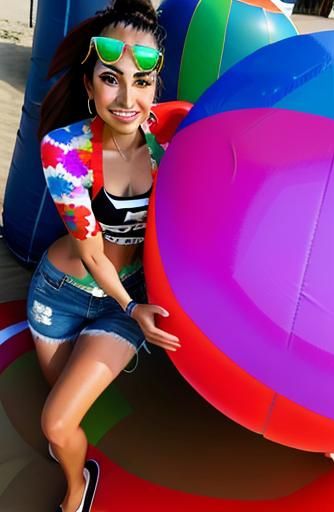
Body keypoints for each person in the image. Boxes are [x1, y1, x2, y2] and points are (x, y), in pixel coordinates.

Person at [27, 1, 183, 510]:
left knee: (56, 423)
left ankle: (76, 490)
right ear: (89, 84)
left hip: (124, 300)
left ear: (155, 88)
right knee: (60, 421)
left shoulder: (168, 145)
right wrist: (133, 307)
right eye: (111, 79)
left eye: (142, 82)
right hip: (59, 293)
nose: (127, 98)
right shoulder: (63, 149)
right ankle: (69, 456)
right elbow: (92, 253)